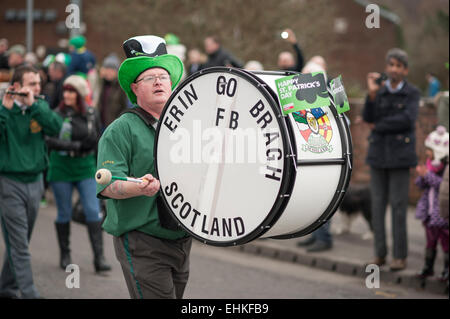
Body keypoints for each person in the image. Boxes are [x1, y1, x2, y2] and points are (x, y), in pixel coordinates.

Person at [96, 35, 191, 299]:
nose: (159, 81)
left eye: (163, 76)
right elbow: (108, 184)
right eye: (150, 78)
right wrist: (141, 188)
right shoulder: (120, 130)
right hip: (142, 240)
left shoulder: (186, 125)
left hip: (181, 239)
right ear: (135, 89)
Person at [0, 65, 63, 298]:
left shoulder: (39, 107)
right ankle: (29, 293)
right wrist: (5, 110)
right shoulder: (4, 109)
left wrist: (34, 105)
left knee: (20, 241)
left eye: (39, 83)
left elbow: (57, 128)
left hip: (36, 181)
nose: (38, 88)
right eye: (32, 84)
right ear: (16, 86)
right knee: (19, 244)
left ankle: (6, 287)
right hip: (9, 182)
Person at [45, 75, 111, 273]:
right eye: (65, 90)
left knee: (93, 210)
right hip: (61, 167)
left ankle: (99, 258)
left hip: (85, 167)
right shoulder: (55, 114)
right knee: (64, 212)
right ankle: (65, 254)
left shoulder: (91, 114)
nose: (67, 94)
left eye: (71, 91)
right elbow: (49, 140)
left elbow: (98, 140)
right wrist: (78, 145)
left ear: (80, 94)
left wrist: (101, 167)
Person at [362, 48, 421, 271]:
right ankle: (379, 254)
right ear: (387, 67)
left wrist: (378, 126)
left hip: (400, 157)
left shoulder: (412, 93)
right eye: (391, 65)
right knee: (377, 206)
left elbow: (407, 120)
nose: (394, 69)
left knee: (398, 207)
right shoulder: (379, 92)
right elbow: (368, 116)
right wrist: (371, 94)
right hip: (378, 156)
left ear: (405, 70)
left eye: (399, 66)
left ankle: (400, 256)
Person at [414, 126, 449, 281]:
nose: (427, 153)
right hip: (429, 211)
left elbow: (442, 185)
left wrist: (427, 175)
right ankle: (428, 266)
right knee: (430, 241)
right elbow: (420, 185)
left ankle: (447, 269)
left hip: (441, 213)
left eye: (430, 150)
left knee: (446, 242)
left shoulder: (445, 169)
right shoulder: (429, 166)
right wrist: (422, 176)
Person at [96, 53, 128, 131]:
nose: (109, 72)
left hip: (115, 127)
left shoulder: (121, 87)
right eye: (107, 69)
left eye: (112, 69)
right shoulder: (102, 84)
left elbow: (125, 107)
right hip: (102, 125)